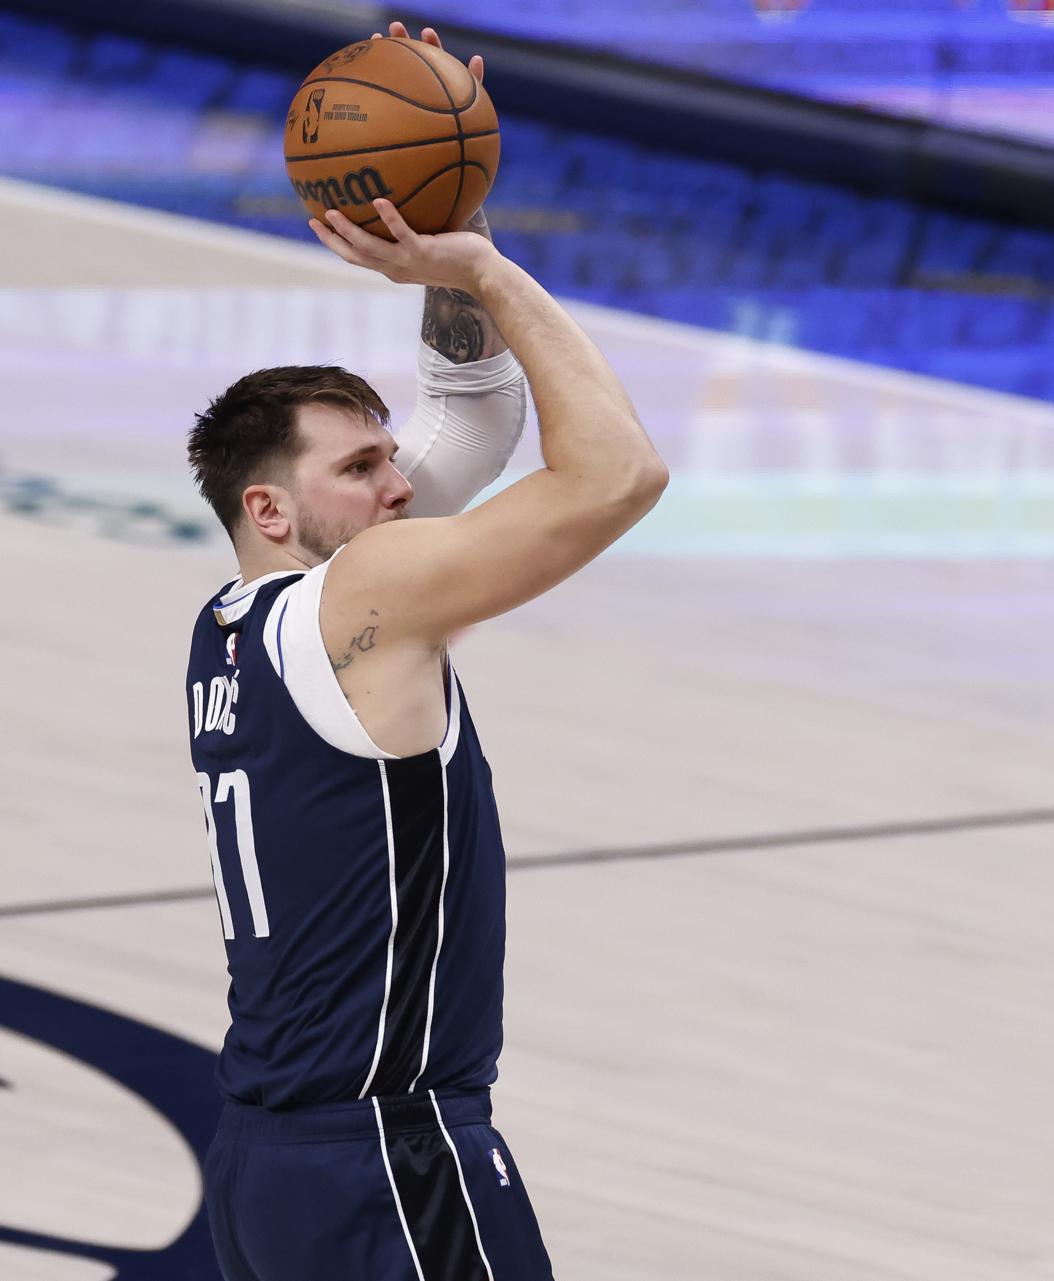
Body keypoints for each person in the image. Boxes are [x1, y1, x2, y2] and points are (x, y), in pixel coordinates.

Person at [185, 27, 667, 1279]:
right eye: (362, 468)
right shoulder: (369, 595)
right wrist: (490, 274)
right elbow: (620, 471)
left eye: (389, 458)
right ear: (272, 513)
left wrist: (458, 233)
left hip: (264, 1164)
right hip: (385, 1151)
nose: (401, 484)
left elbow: (470, 413)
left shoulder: (232, 628)